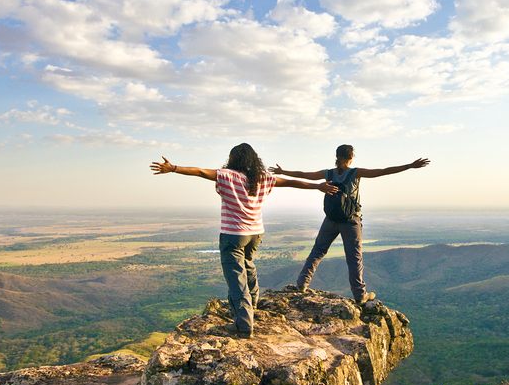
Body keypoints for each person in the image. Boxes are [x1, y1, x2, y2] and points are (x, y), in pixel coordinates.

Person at [150, 143, 337, 338]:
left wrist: (173, 168)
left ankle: (244, 324)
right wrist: (318, 186)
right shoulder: (263, 178)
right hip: (255, 233)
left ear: (233, 159)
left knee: (235, 278)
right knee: (248, 265)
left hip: (233, 234)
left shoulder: (228, 175)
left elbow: (200, 172)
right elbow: (290, 182)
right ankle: (253, 303)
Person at [273, 145, 429, 304]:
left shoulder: (328, 173)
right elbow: (382, 171)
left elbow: (304, 175)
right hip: (350, 221)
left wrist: (283, 172)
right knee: (354, 258)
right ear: (351, 157)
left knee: (317, 251)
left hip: (331, 219)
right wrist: (409, 166)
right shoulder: (355, 173)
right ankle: (360, 296)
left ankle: (302, 284)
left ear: (336, 156)